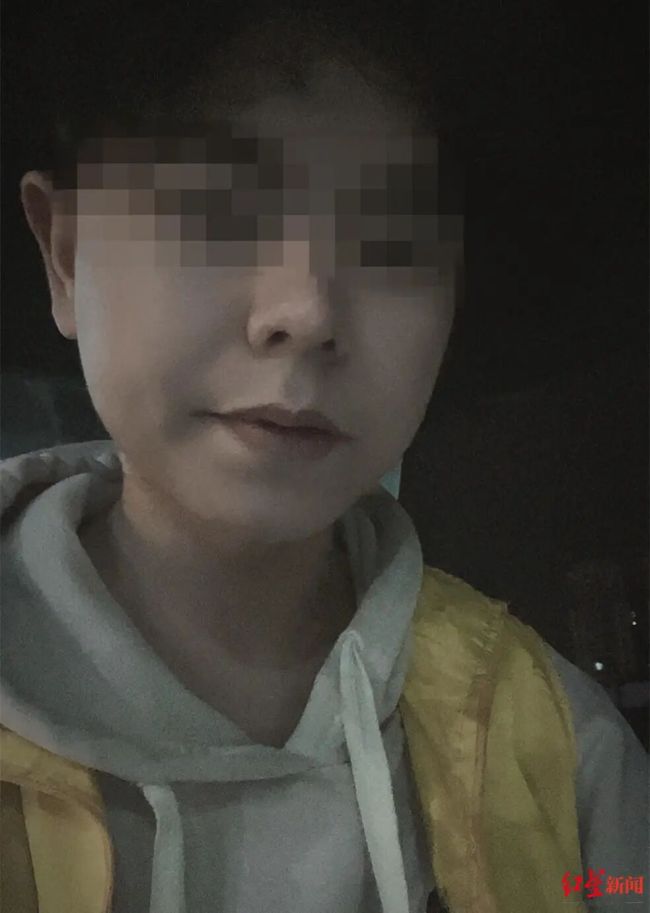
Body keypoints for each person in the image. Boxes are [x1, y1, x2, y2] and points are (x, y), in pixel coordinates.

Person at [1, 4, 647, 912]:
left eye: (393, 244)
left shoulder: (555, 751)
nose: (304, 312)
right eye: (213, 210)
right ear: (65, 257)